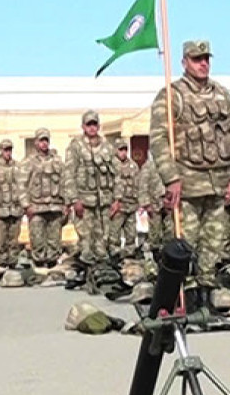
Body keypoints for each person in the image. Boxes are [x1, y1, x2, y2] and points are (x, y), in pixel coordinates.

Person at [149, 40, 230, 307]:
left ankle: (205, 293)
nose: (203, 63)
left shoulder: (222, 94)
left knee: (213, 243)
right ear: (184, 62)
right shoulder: (172, 95)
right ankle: (183, 296)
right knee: (184, 244)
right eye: (196, 59)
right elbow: (158, 139)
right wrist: (171, 178)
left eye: (205, 58)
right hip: (188, 184)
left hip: (218, 184)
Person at [65, 110, 119, 275]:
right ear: (83, 126)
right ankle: (87, 272)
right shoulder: (75, 146)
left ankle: (102, 273)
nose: (92, 127)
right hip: (84, 201)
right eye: (88, 124)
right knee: (86, 240)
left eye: (94, 124)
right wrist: (74, 200)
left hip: (105, 201)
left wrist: (117, 199)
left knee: (104, 238)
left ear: (98, 126)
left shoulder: (107, 147)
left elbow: (117, 174)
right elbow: (69, 174)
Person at [19, 128, 67, 267]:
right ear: (36, 142)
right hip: (36, 208)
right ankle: (39, 268)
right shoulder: (28, 162)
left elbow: (65, 182)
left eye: (46, 140)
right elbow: (21, 184)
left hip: (55, 207)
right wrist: (26, 206)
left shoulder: (57, 161)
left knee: (54, 241)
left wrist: (66, 205)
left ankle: (52, 267)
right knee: (37, 240)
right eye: (41, 140)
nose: (44, 143)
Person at [0, 139, 23, 266]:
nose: (8, 152)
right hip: (0, 209)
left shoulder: (17, 167)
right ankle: (0, 263)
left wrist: (24, 205)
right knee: (0, 238)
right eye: (5, 150)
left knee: (14, 239)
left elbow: (23, 187)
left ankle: (13, 262)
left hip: (15, 209)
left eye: (9, 150)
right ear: (1, 150)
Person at [110, 138, 141, 258]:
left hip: (131, 205)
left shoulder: (133, 165)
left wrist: (140, 201)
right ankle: (115, 256)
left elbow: (138, 183)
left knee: (131, 233)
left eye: (125, 149)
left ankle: (130, 256)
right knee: (114, 234)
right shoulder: (111, 165)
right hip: (117, 206)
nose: (123, 152)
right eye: (120, 149)